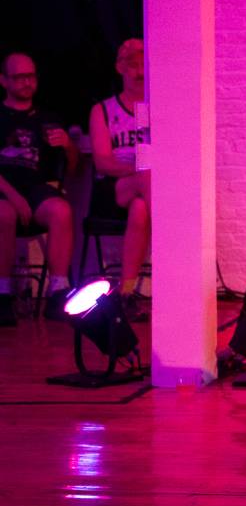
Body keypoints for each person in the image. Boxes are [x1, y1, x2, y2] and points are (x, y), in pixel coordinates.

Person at [0, 52, 78, 325]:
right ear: (4, 80)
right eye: (19, 77)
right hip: (3, 188)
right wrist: (13, 196)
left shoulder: (47, 118)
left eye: (30, 76)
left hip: (35, 187)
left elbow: (70, 169)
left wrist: (69, 146)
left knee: (61, 209)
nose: (26, 82)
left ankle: (58, 291)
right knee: (4, 214)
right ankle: (3, 293)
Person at [88, 39, 151, 318]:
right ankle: (178, 247)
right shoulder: (103, 110)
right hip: (113, 186)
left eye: (143, 64)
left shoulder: (156, 107)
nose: (138, 71)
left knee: (140, 209)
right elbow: (102, 161)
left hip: (145, 191)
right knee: (147, 176)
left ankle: (125, 293)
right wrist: (136, 171)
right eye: (132, 64)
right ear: (119, 68)